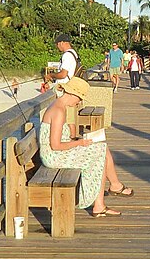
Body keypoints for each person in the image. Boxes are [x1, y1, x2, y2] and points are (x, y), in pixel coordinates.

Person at [39, 77, 133, 218]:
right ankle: (103, 200)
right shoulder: (58, 111)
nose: (79, 102)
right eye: (79, 98)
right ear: (72, 94)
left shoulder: (59, 106)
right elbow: (55, 145)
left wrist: (78, 140)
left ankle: (109, 193)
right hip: (53, 156)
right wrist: (79, 143)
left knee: (101, 146)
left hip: (56, 152)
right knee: (99, 153)